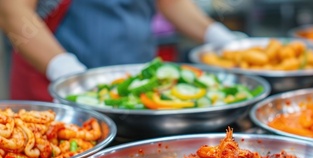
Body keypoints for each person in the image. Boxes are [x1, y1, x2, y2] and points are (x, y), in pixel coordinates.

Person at [0, 0, 242, 102]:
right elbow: (11, 9)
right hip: (53, 85)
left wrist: (220, 38)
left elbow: (171, 3)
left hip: (138, 86)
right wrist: (64, 69)